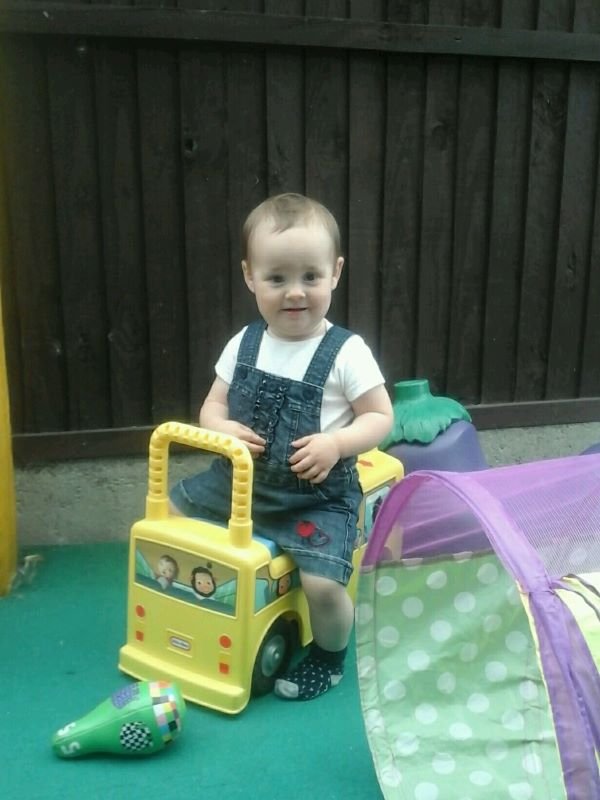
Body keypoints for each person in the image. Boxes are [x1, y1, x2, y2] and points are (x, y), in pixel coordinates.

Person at [170, 193, 393, 700]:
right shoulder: (244, 343)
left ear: (335, 273)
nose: (295, 292)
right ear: (250, 276)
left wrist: (337, 443)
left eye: (310, 276)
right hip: (238, 484)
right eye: (277, 278)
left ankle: (329, 656)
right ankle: (189, 607)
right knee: (171, 520)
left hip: (315, 497)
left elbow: (380, 417)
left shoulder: (346, 352)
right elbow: (212, 406)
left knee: (322, 585)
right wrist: (221, 429)